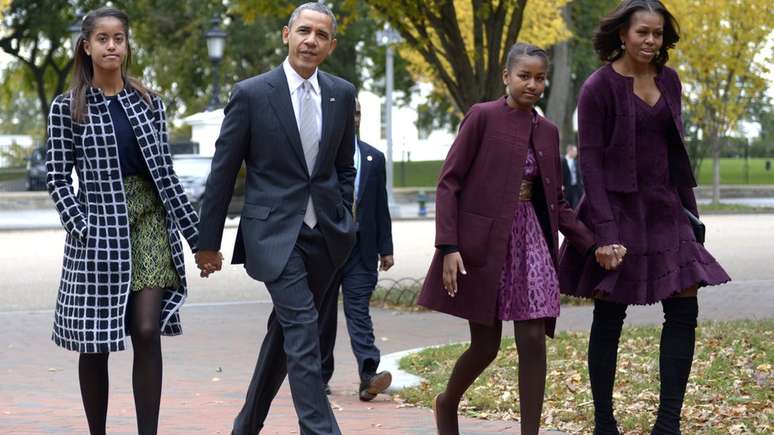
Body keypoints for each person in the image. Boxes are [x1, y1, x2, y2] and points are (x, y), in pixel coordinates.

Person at [417, 43, 612, 435]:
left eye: (540, 77)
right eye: (524, 75)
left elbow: (557, 201)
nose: (533, 84)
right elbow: (448, 183)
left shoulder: (549, 131)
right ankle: (447, 402)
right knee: (486, 347)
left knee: (533, 340)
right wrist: (449, 247)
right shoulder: (482, 117)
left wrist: (591, 244)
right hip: (484, 245)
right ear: (507, 76)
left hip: (531, 241)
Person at [557, 1, 731, 434]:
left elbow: (677, 151)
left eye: (657, 34)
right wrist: (605, 236)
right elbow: (592, 165)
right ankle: (604, 423)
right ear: (623, 34)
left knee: (684, 309)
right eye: (643, 33)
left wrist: (693, 215)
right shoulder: (598, 87)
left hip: (665, 207)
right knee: (610, 315)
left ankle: (667, 423)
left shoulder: (670, 81)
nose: (651, 41)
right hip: (614, 211)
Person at [194, 3, 357, 434]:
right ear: (287, 34)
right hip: (272, 234)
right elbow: (224, 171)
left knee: (285, 335)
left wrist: (344, 214)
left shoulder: (342, 93)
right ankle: (321, 430)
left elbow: (344, 166)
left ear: (331, 45)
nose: (311, 41)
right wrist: (207, 242)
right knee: (304, 327)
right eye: (304, 31)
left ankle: (245, 427)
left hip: (325, 233)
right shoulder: (252, 93)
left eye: (321, 35)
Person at [45, 7, 200, 435]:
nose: (111, 46)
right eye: (103, 39)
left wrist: (198, 239)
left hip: (149, 219)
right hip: (97, 230)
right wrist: (81, 226)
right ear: (87, 46)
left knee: (146, 330)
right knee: (95, 342)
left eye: (119, 38)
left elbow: (166, 173)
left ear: (127, 45)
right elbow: (57, 177)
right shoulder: (67, 108)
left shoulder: (150, 102)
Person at [318, 99, 394, 400]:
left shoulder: (374, 158)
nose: (354, 118)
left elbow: (380, 206)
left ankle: (368, 375)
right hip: (326, 247)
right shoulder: (321, 157)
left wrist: (386, 248)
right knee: (323, 316)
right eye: (349, 113)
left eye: (358, 113)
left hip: (361, 250)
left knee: (358, 311)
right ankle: (320, 376)